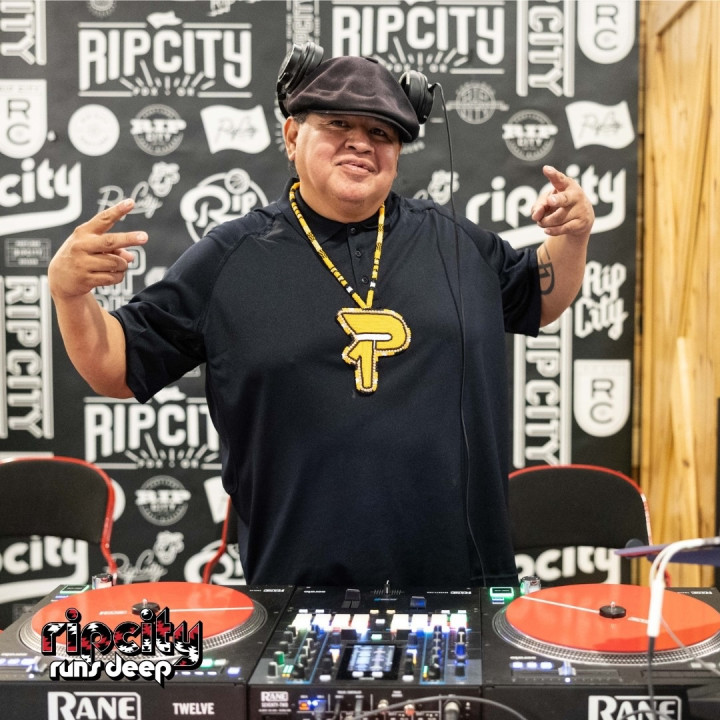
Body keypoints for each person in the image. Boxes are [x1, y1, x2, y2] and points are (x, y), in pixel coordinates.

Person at [49, 53, 594, 589]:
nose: (361, 142)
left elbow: (538, 296)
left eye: (381, 132)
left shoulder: (455, 242)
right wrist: (70, 293)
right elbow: (116, 366)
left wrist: (572, 236)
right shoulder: (231, 256)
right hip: (297, 583)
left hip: (464, 580)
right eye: (337, 124)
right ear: (292, 136)